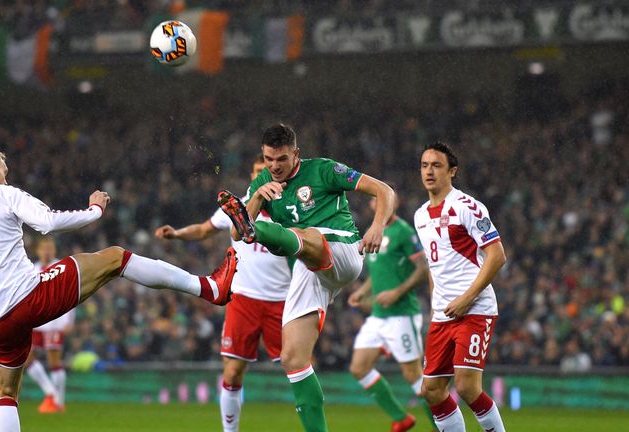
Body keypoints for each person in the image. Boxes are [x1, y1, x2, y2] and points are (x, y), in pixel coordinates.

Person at [0, 144, 238, 432]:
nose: (6, 177)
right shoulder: (4, 194)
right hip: (29, 297)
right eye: (4, 171)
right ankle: (210, 287)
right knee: (115, 258)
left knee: (6, 393)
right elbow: (48, 222)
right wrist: (94, 210)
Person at [217, 124, 395, 432]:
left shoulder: (324, 170)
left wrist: (378, 225)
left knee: (301, 235)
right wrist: (258, 196)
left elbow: (385, 190)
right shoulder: (263, 181)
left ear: (296, 154)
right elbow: (234, 232)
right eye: (269, 159)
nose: (274, 166)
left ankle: (258, 230)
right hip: (307, 265)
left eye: (281, 159)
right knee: (293, 358)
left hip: (343, 248)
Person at [155, 154, 291, 432]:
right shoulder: (237, 205)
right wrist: (178, 234)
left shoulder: (291, 207)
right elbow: (205, 229)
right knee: (232, 371)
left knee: (299, 368)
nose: (261, 174)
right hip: (243, 298)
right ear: (252, 174)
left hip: (283, 299)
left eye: (266, 170)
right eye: (256, 170)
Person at [413, 142, 506, 432]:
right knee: (431, 390)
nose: (429, 171)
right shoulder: (419, 215)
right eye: (425, 165)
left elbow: (497, 255)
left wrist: (467, 298)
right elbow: (432, 264)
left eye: (437, 165)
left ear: (452, 171)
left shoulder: (468, 207)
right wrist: (434, 305)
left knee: (466, 386)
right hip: (443, 314)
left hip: (474, 308)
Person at [347, 194, 436, 432]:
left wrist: (397, 292)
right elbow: (377, 273)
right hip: (378, 315)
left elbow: (422, 268)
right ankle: (401, 417)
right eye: (374, 200)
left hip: (402, 315)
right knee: (359, 367)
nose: (373, 203)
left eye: (380, 199)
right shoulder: (373, 231)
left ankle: (444, 427)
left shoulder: (403, 232)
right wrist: (363, 292)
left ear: (392, 203)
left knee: (414, 377)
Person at [24, 236, 73, 414]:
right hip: (37, 322)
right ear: (38, 251)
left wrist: (68, 320)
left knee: (54, 361)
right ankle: (51, 393)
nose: (47, 251)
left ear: (54, 250)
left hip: (55, 322)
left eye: (49, 247)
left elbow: (71, 293)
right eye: (43, 248)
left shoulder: (61, 267)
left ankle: (58, 401)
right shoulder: (32, 269)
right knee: (26, 358)